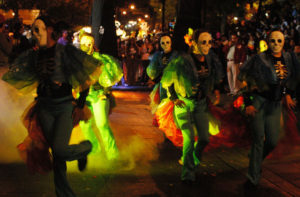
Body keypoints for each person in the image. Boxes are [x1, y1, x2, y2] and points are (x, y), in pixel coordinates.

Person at [2, 16, 105, 197]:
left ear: (50, 30)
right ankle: (64, 194)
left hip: (64, 106)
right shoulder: (34, 55)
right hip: (44, 107)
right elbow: (21, 73)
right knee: (57, 156)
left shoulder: (66, 52)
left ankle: (85, 149)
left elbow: (85, 76)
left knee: (60, 150)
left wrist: (80, 103)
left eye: (38, 29)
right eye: (33, 30)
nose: (35, 34)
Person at [160, 29, 224, 184]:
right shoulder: (182, 60)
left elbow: (216, 77)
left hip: (200, 105)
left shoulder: (210, 60)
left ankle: (192, 158)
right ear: (194, 43)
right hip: (183, 104)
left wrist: (216, 90)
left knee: (204, 138)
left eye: (210, 42)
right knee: (188, 137)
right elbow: (167, 81)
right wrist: (174, 99)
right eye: (204, 42)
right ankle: (187, 174)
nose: (208, 45)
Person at [238, 30, 300, 189]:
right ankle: (252, 178)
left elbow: (288, 81)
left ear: (284, 42)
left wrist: (286, 95)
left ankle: (255, 159)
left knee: (272, 141)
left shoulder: (288, 58)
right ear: (268, 41)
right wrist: (248, 102)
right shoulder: (259, 59)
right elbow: (244, 79)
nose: (276, 44)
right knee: (258, 139)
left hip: (275, 105)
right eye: (272, 41)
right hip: (259, 102)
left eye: (279, 41)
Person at [78, 32, 123, 161]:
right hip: (83, 98)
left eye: (90, 43)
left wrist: (105, 92)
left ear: (93, 45)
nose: (87, 46)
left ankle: (113, 154)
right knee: (84, 125)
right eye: (85, 43)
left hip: (98, 95)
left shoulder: (101, 60)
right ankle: (94, 149)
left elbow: (108, 78)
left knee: (102, 124)